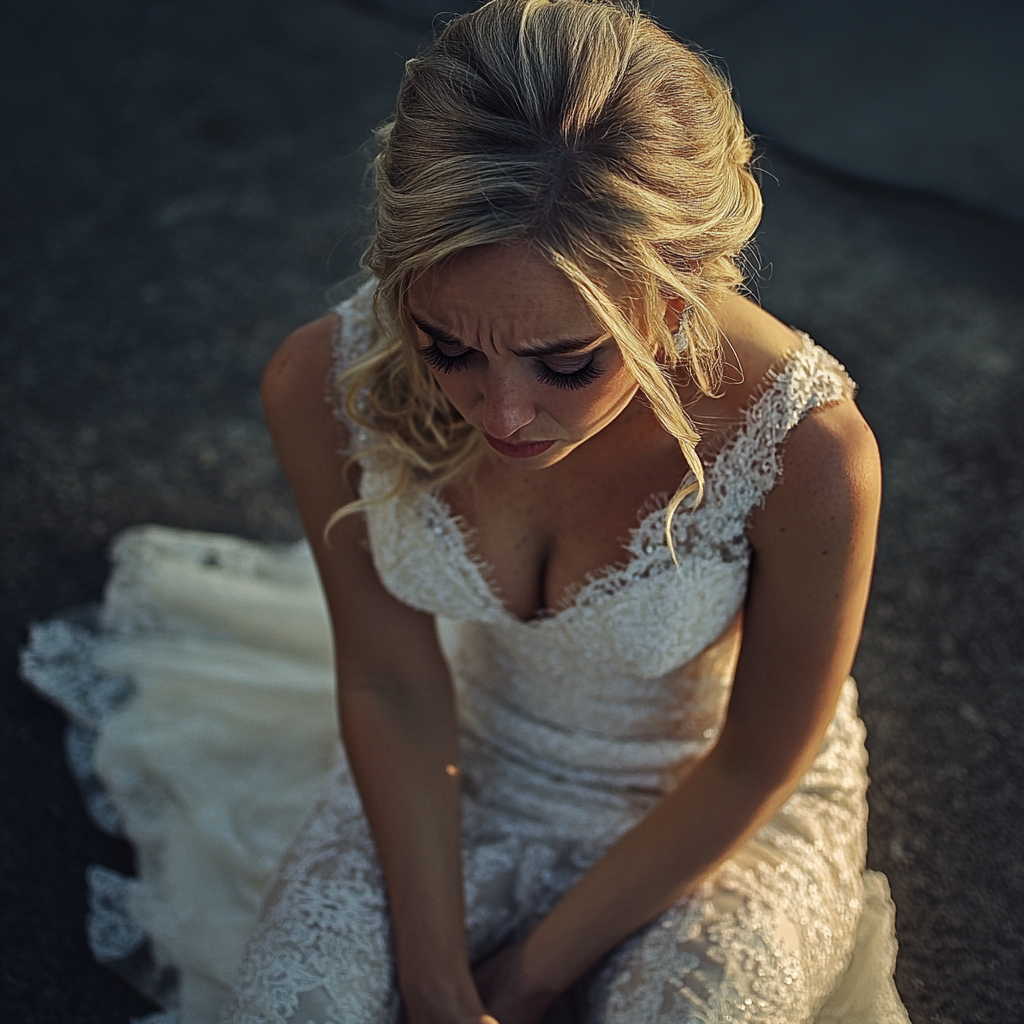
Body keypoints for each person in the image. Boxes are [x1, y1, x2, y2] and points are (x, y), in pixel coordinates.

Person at [21, 1, 911, 1022]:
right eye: (447, 346)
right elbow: (395, 682)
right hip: (468, 756)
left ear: (673, 302)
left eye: (565, 363)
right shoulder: (322, 383)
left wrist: (533, 969)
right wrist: (438, 980)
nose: (501, 412)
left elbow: (759, 753)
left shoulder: (803, 451)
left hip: (712, 800)